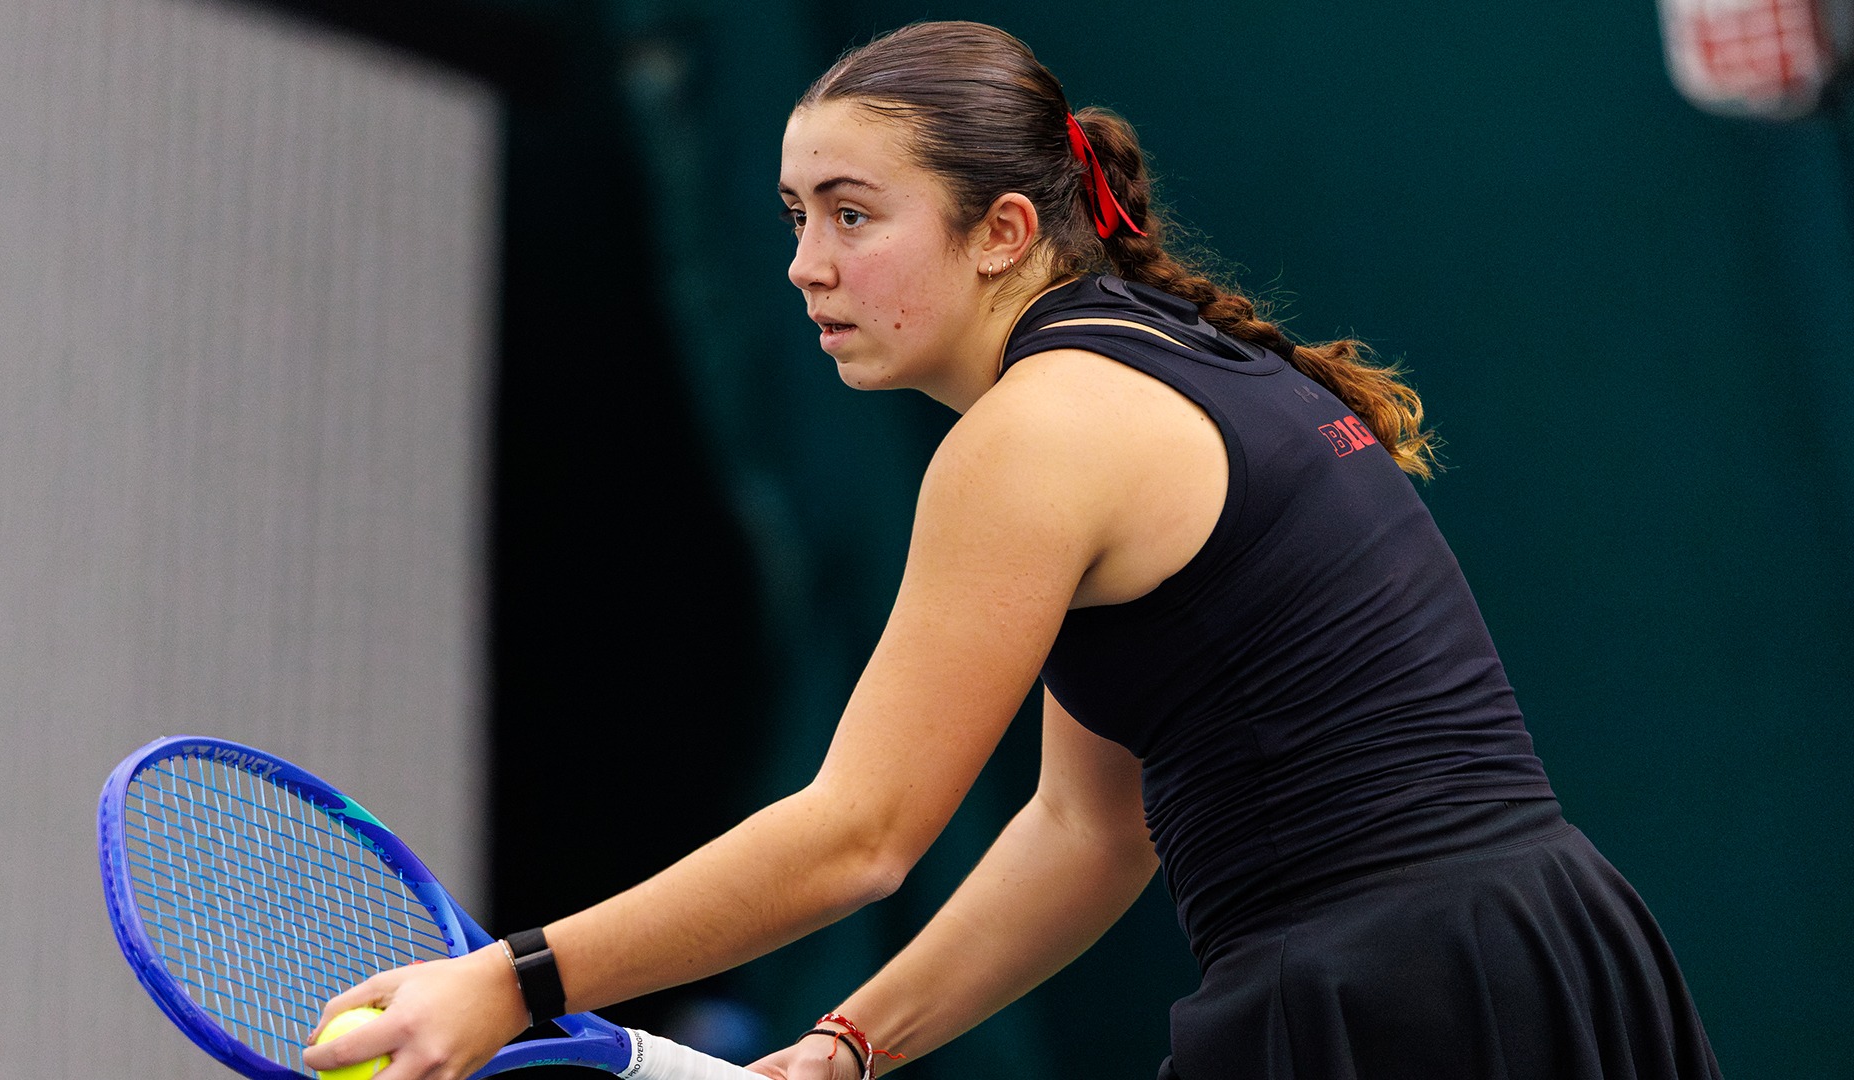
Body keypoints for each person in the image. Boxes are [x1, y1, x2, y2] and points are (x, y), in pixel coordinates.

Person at [303, 20, 1722, 1080]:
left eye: (853, 214)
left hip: (1385, 994)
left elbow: (861, 837)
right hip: (1547, 951)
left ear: (1003, 231)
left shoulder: (1034, 434)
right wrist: (854, 1040)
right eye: (796, 217)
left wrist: (512, 982)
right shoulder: (1177, 364)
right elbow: (1086, 830)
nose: (806, 263)